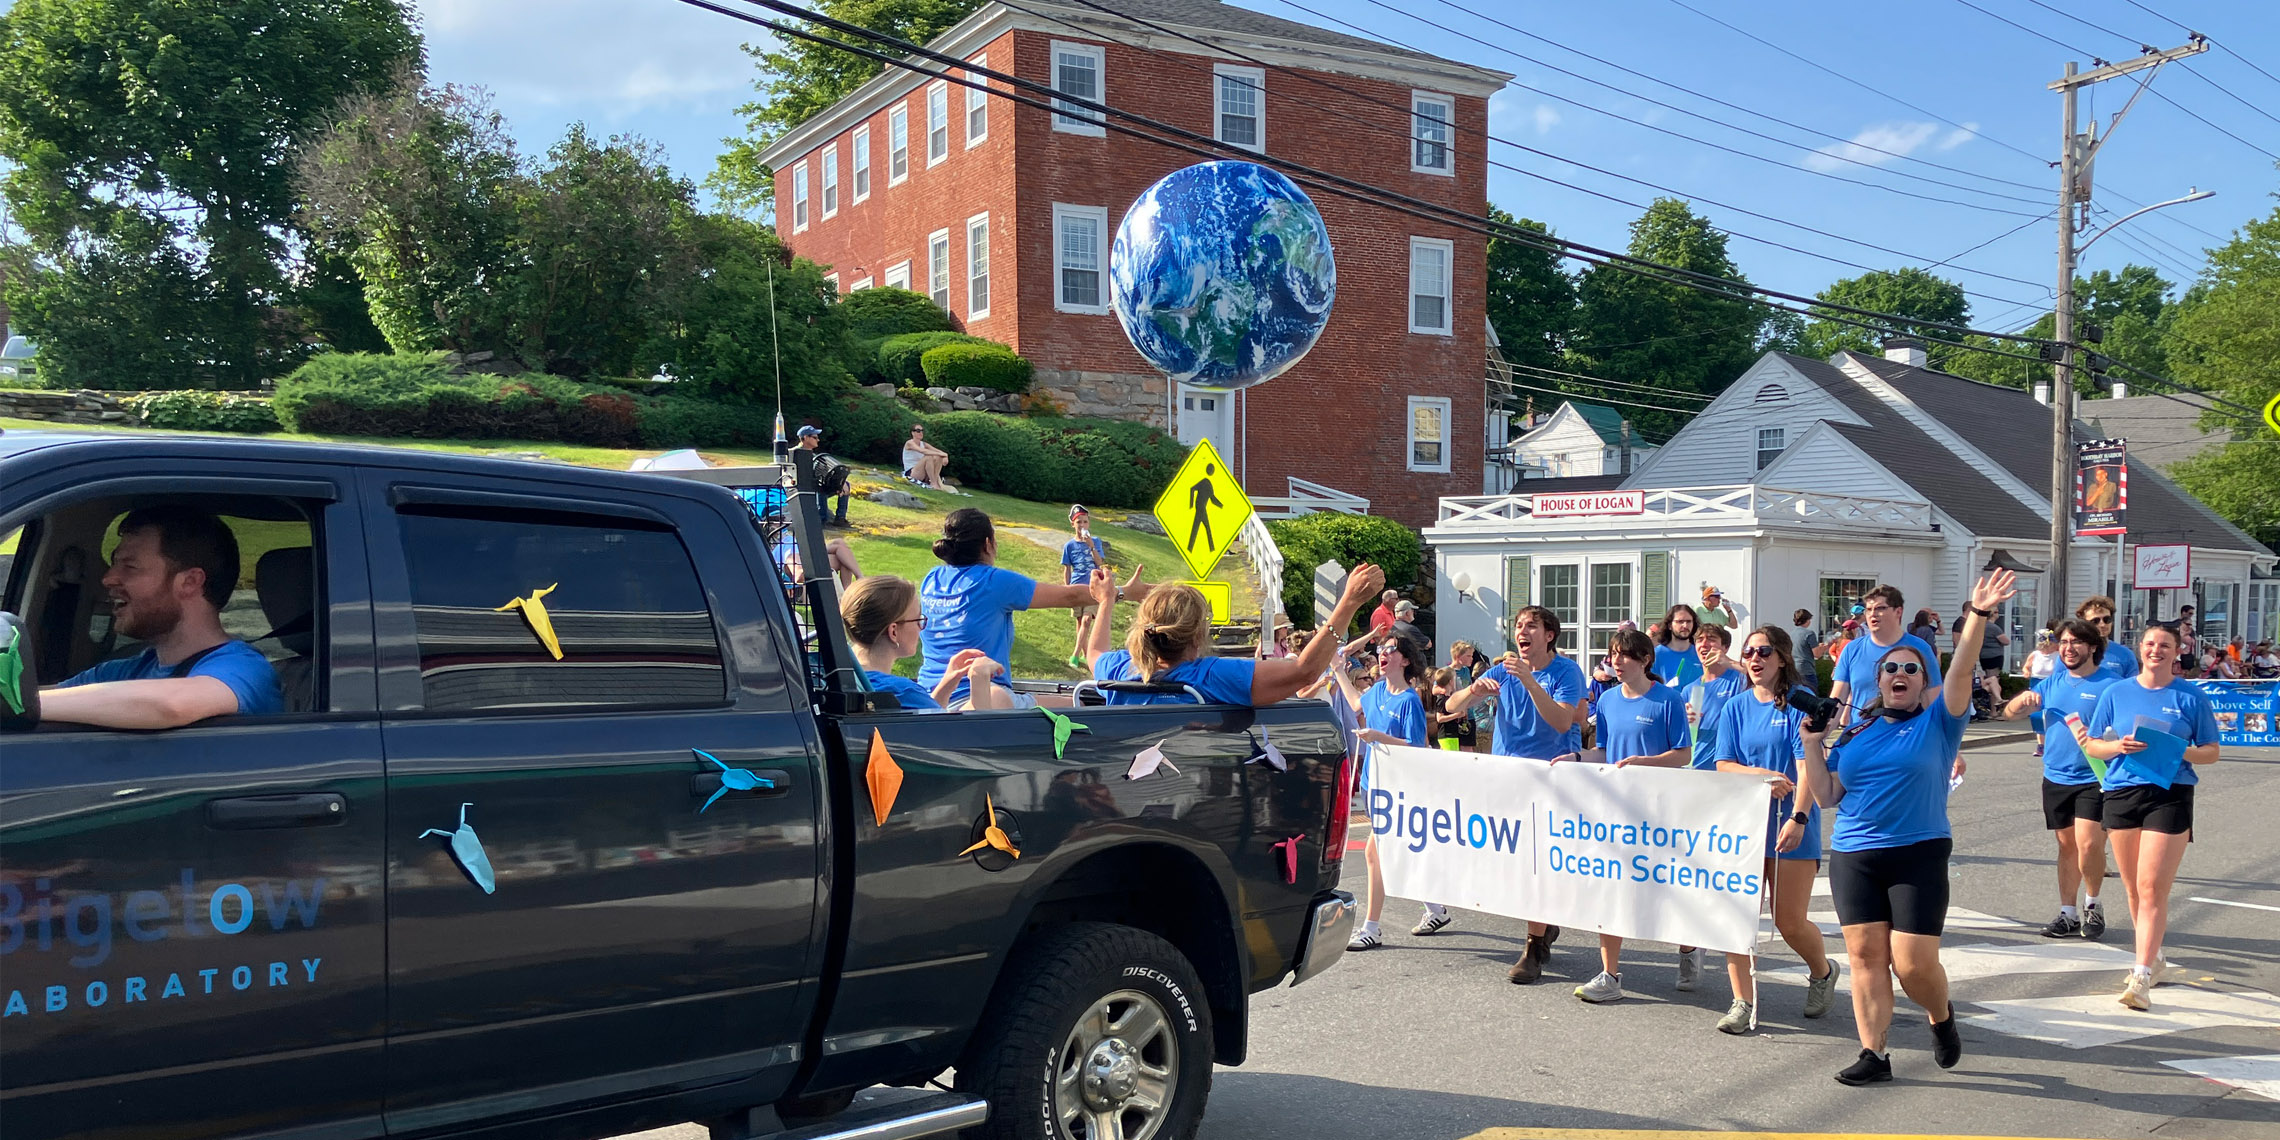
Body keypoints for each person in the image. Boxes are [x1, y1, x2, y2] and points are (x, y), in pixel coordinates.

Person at [1801, 571, 2011, 1086]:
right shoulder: (1856, 730)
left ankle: (1940, 1017)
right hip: (1855, 853)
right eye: (1890, 668)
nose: (1899, 672)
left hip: (1918, 850)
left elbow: (1962, 669)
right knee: (1865, 956)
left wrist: (1978, 616)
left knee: (1913, 966)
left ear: (1922, 680)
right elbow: (1828, 796)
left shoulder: (1941, 720)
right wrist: (1811, 744)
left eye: (1910, 669)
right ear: (1880, 680)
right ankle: (1874, 1053)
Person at [2079, 623, 2223, 1012]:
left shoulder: (2190, 697)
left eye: (2164, 645)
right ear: (2140, 649)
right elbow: (2092, 743)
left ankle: (2140, 974)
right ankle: (2154, 955)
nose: (2155, 650)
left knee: (2152, 885)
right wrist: (2116, 745)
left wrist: (2181, 750)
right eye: (2149, 644)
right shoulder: (2116, 692)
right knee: (2132, 887)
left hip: (2171, 792)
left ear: (2177, 652)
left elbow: (2211, 750)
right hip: (2124, 791)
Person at [1442, 605, 1588, 982]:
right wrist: (1473, 690)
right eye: (1518, 626)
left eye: (1531, 627)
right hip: (1508, 775)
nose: (1522, 632)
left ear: (1549, 635)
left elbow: (1561, 721)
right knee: (1519, 861)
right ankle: (1544, 927)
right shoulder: (1505, 668)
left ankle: (1533, 947)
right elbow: (1449, 707)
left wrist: (1529, 682)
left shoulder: (1566, 671)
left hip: (1551, 776)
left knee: (1538, 862)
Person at [41, 506, 284, 728]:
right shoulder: (125, 671)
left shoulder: (245, 669)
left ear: (189, 582)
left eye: (130, 566)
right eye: (115, 563)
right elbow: (36, 699)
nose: (107, 578)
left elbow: (171, 705)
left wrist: (23, 708)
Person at [1707, 625, 1838, 1034]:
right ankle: (1742, 1001)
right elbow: (1723, 763)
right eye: (1748, 653)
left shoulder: (1798, 705)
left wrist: (1800, 817)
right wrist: (1760, 774)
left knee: (1789, 921)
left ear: (1781, 657)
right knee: (1738, 917)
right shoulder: (1735, 707)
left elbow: (1805, 768)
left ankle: (1822, 971)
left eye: (1763, 651)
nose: (1755, 659)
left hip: (1791, 824)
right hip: (1745, 827)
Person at [1564, 627, 1692, 1004]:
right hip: (1616, 809)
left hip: (1659, 809)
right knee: (1612, 888)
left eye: (1623, 656)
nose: (1615, 662)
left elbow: (1682, 755)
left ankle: (1689, 947)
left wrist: (1644, 763)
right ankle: (1610, 973)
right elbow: (1603, 752)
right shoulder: (1606, 702)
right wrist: (1574, 759)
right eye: (1612, 656)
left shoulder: (1667, 700)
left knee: (1669, 889)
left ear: (1644, 661)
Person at [917, 509, 1148, 709]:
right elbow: (1070, 596)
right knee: (1085, 705)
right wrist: (1126, 592)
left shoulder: (932, 578)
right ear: (988, 544)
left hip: (932, 698)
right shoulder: (993, 581)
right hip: (985, 698)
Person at [1085, 563, 1383, 708]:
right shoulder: (1210, 676)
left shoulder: (1120, 670)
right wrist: (1349, 602)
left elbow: (1093, 654)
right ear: (1197, 637)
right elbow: (1304, 671)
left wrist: (1107, 600)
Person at [1997, 616, 2119, 940]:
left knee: (2089, 842)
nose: (2067, 648)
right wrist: (2018, 704)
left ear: (2092, 647)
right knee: (2066, 845)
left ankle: (2093, 904)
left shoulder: (2110, 684)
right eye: (2063, 642)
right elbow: (2011, 713)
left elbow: (2124, 725)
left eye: (2075, 642)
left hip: (2096, 775)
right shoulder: (2053, 682)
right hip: (2056, 774)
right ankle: (2068, 914)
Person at [1335, 628, 1434, 951]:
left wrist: (1380, 737)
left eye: (1391, 649)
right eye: (1382, 648)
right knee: (1404, 851)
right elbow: (1355, 704)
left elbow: (1415, 747)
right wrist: (1338, 671)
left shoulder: (1409, 701)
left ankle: (1372, 927)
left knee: (1373, 852)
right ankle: (1435, 908)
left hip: (1401, 788)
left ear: (1404, 660)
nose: (1383, 653)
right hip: (1373, 784)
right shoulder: (1377, 691)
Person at [841, 575, 1004, 710]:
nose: (921, 628)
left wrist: (946, 685)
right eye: (918, 619)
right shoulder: (901, 692)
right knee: (1000, 698)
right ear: (893, 632)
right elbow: (969, 738)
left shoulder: (843, 680)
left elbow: (927, 718)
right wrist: (979, 679)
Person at [1830, 585, 1942, 727]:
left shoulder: (1920, 648)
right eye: (1869, 609)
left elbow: (1933, 700)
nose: (1872, 614)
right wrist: (1819, 734)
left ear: (1898, 611)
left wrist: (1942, 742)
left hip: (1906, 738)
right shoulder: (1852, 649)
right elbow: (1837, 701)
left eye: (1880, 608)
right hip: (1862, 737)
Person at [1684, 624, 1747, 771]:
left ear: (1725, 647)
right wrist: (1683, 720)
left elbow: (1768, 677)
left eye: (1711, 639)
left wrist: (1730, 662)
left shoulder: (1741, 680)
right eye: (1699, 640)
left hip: (1731, 768)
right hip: (1695, 768)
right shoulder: (1689, 689)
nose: (1704, 644)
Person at [1061, 504, 1111, 669]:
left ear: (1089, 524)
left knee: (1087, 620)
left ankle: (1074, 655)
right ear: (1073, 524)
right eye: (1079, 522)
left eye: (1085, 522)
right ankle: (1085, 655)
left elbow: (1099, 562)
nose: (1082, 525)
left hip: (1092, 587)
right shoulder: (1069, 546)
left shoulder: (1095, 542)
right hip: (1076, 586)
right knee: (1080, 622)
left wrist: (1091, 546)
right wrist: (1066, 588)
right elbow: (1067, 569)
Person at [1951, 608, 2009, 720]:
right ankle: (1994, 710)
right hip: (1994, 657)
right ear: (1992, 615)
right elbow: (2006, 641)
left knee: (1992, 680)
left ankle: (1995, 703)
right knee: (1994, 680)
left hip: (1983, 657)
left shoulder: (1980, 627)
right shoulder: (1993, 628)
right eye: (1996, 612)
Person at [794, 425, 852, 528]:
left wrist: (840, 484)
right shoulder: (794, 454)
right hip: (801, 490)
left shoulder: (814, 456)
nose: (818, 440)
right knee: (820, 488)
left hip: (812, 487)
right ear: (805, 438)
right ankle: (822, 519)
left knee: (845, 484)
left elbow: (826, 474)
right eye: (815, 437)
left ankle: (840, 518)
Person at [2074, 596, 2137, 679]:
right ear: (2083, 624)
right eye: (2095, 621)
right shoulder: (2071, 653)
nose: (2102, 624)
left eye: (2107, 619)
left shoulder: (2126, 654)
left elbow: (2132, 687)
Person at [1652, 603, 1706, 691]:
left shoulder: (1701, 654)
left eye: (1688, 621)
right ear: (1670, 625)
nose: (1685, 626)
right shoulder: (1656, 655)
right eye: (1680, 622)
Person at [1428, 667, 1476, 750]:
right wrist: (1456, 715)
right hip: (1446, 735)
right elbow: (1440, 718)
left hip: (1453, 733)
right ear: (1451, 681)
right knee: (1451, 760)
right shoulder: (1442, 698)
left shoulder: (1450, 697)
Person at [902, 423, 952, 491]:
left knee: (938, 457)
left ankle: (934, 480)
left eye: (922, 431)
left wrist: (945, 456)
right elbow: (923, 451)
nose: (921, 433)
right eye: (918, 431)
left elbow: (939, 452)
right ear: (912, 433)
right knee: (928, 457)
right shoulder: (909, 443)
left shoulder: (924, 444)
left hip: (923, 473)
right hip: (912, 472)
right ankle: (934, 483)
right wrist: (942, 454)